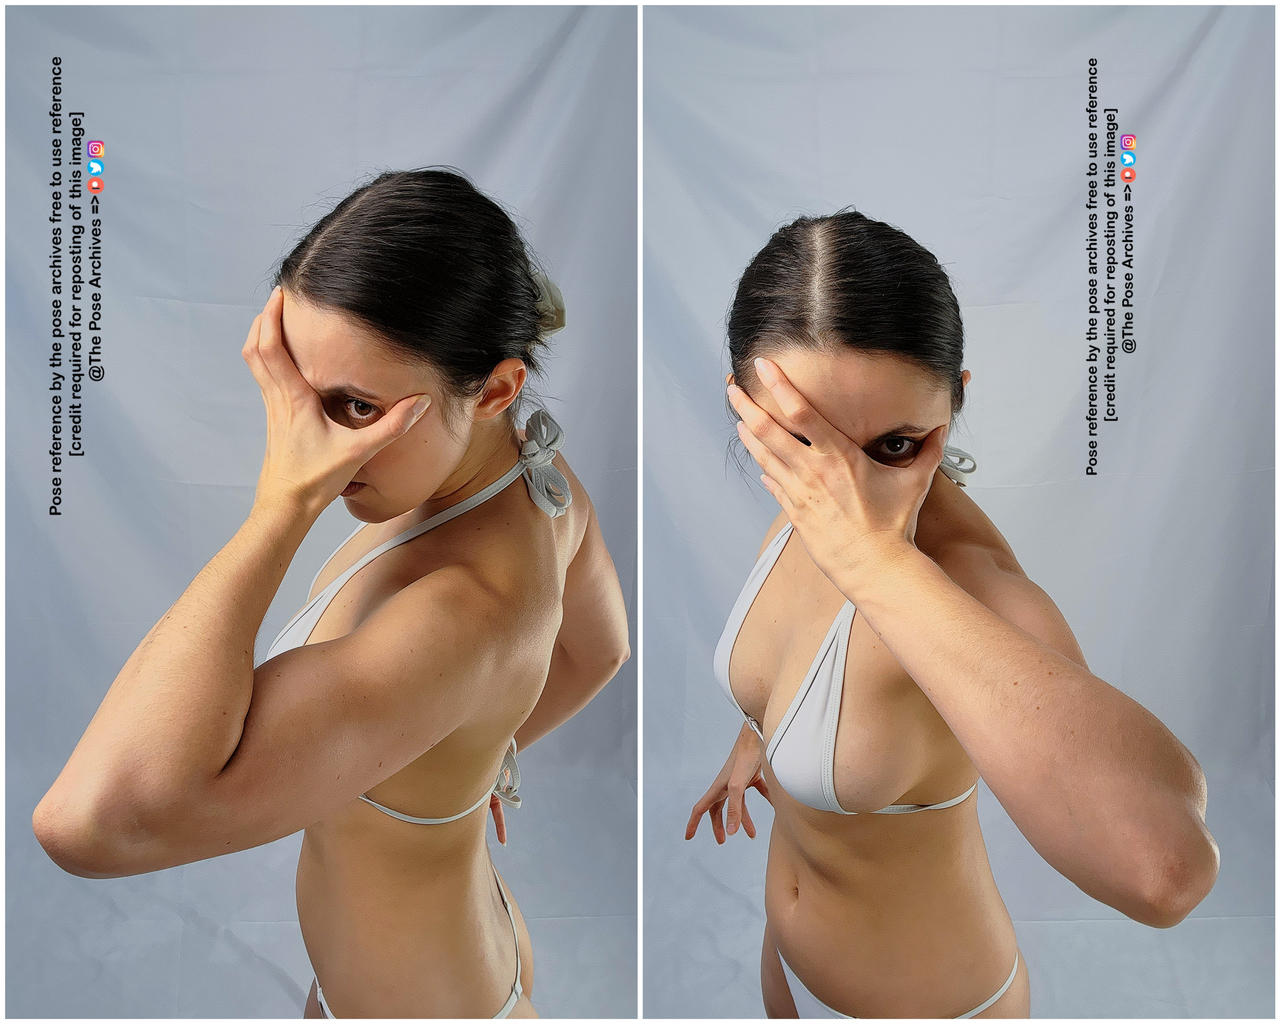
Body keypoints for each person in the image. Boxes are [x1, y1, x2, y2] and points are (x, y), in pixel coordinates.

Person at [32, 168, 631, 1018]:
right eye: (295, 391)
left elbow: (86, 824)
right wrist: (466, 747)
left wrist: (279, 510)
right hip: (449, 953)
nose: (311, 444)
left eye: (354, 408)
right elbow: (599, 650)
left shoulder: (455, 614)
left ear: (495, 389)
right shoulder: (534, 476)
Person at [686, 209, 1218, 1018]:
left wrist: (873, 559)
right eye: (804, 442)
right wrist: (759, 730)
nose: (847, 490)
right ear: (745, 408)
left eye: (894, 445)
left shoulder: (976, 586)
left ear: (954, 402)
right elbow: (801, 657)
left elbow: (1165, 872)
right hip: (788, 976)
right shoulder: (801, 506)